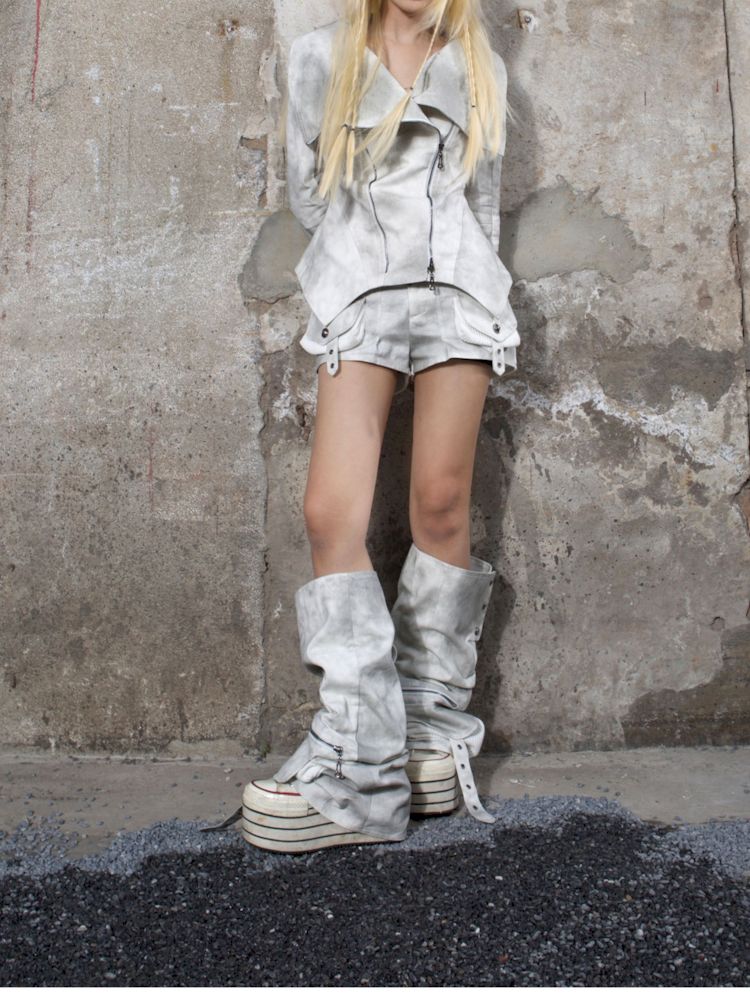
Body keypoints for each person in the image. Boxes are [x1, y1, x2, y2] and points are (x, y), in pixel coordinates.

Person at [202, 0, 520, 852]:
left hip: (458, 294)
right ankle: (362, 766)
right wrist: (357, 270)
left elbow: (484, 204)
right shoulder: (321, 56)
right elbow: (311, 198)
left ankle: (428, 735)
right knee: (330, 514)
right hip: (362, 294)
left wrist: (473, 287)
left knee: (441, 507)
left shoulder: (480, 66)